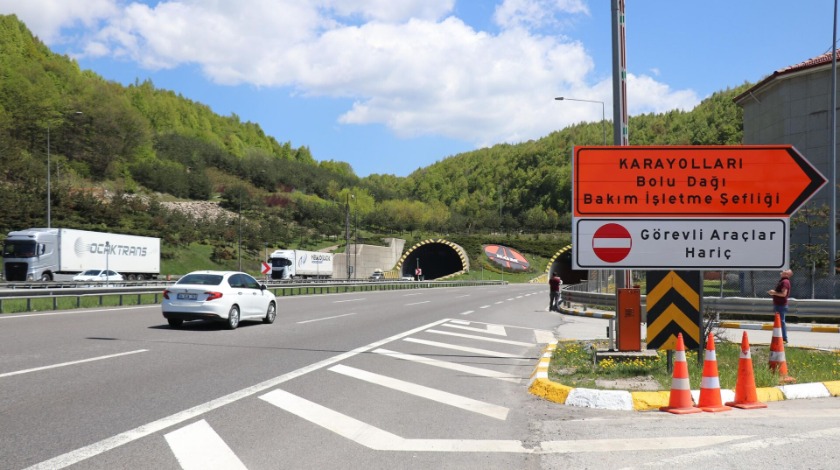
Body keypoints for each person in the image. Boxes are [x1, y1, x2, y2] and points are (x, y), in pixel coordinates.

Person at [768, 269, 792, 343]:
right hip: (779, 305)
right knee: (779, 322)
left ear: (787, 274)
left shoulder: (785, 282)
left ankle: (784, 338)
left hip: (781, 305)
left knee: (781, 322)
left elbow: (784, 294)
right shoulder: (782, 281)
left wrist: (774, 293)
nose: (782, 271)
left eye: (785, 271)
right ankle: (780, 338)